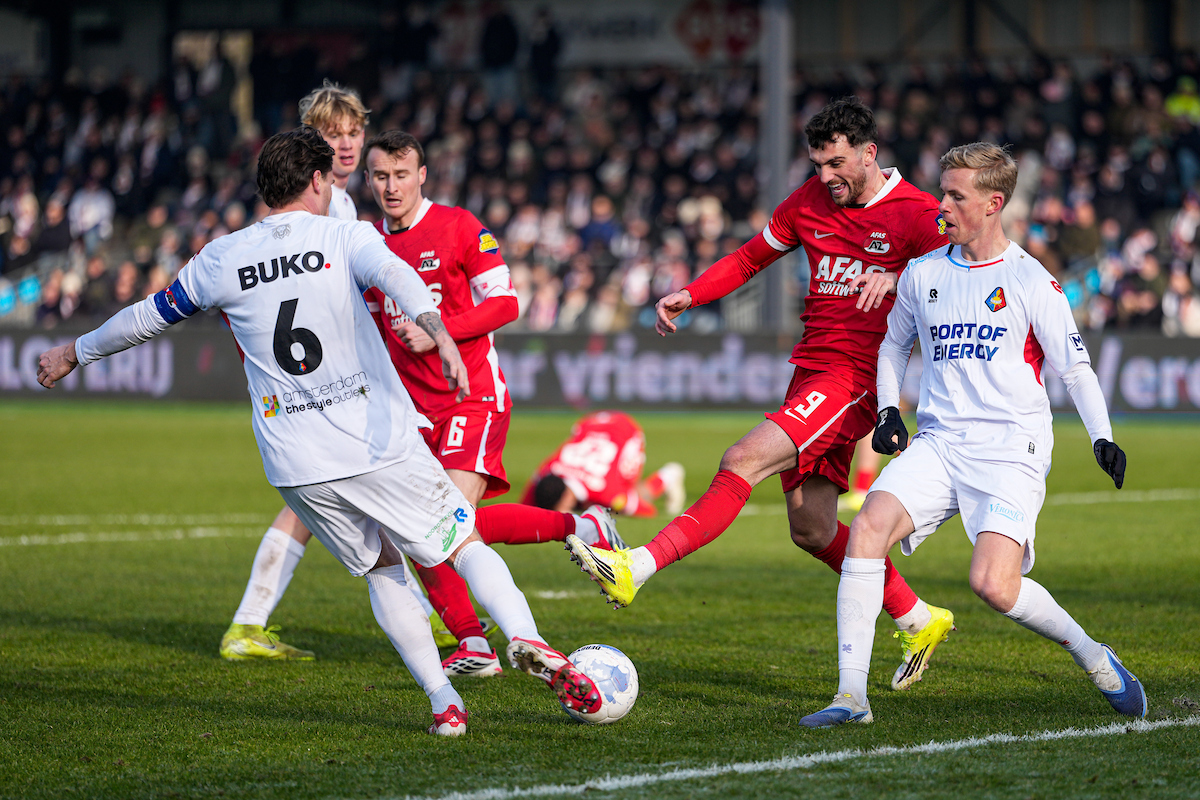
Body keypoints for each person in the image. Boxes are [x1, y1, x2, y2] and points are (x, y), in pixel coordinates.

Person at [37, 126, 602, 736]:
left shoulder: (220, 258)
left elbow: (145, 318)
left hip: (295, 462)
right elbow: (397, 277)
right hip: (372, 438)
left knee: (383, 569)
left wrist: (76, 351)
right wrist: (437, 327)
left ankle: (444, 703)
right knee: (461, 544)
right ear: (316, 181)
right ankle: (530, 641)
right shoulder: (343, 235)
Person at [567, 98, 955, 691]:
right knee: (813, 528)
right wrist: (690, 295)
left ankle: (634, 567)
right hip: (810, 371)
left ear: (870, 154)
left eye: (837, 163)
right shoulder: (808, 201)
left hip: (855, 378)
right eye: (819, 163)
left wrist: (903, 275)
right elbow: (751, 258)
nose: (826, 177)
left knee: (741, 460)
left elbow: (961, 272)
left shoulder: (917, 213)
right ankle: (917, 616)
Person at [799, 142, 1143, 728]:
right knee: (867, 530)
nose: (943, 205)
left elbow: (1075, 368)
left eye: (956, 196)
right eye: (943, 192)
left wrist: (1101, 437)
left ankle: (1094, 656)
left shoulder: (1031, 280)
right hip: (939, 442)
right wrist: (887, 410)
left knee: (992, 582)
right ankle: (851, 699)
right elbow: (892, 346)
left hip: (1010, 448)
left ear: (993, 203)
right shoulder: (923, 273)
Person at [362, 129, 627, 677]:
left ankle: (495, 633)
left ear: (422, 176)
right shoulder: (366, 246)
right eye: (381, 176)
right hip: (410, 410)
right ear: (368, 179)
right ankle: (481, 636)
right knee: (430, 528)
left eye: (401, 175)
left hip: (471, 395)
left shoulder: (458, 227)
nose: (392, 186)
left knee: (446, 525)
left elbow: (506, 304)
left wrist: (441, 332)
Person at [218, 82, 372, 663]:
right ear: (312, 141)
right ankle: (442, 620)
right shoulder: (315, 207)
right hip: (319, 380)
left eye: (354, 131)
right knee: (384, 487)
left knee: (310, 506)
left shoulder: (343, 201)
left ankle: (248, 624)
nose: (348, 143)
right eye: (334, 134)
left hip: (324, 375)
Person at [522, 410, 687, 517]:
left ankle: (669, 475)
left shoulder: (606, 492)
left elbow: (646, 510)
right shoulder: (547, 469)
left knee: (629, 493)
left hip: (626, 431)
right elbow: (524, 505)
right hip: (589, 424)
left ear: (566, 498)